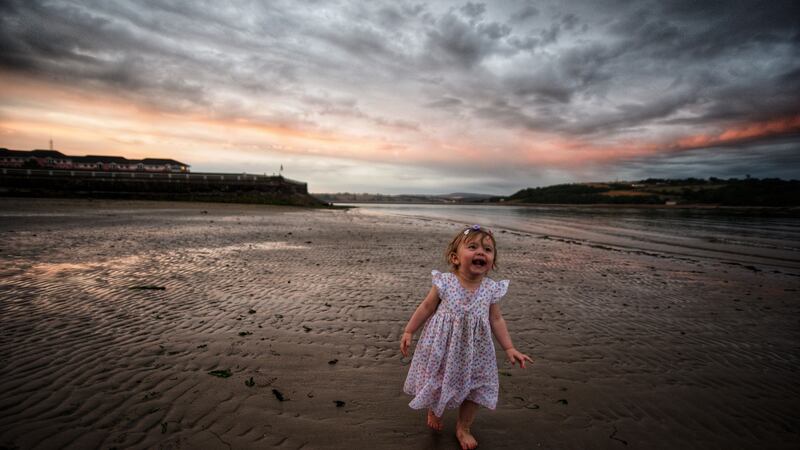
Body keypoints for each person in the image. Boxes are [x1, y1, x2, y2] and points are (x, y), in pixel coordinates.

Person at [400, 224, 533, 449]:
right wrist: (409, 330)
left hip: (476, 351)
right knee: (438, 380)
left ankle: (464, 427)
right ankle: (435, 410)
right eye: (472, 247)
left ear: (491, 262)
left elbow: (497, 320)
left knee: (476, 387)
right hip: (443, 345)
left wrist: (509, 348)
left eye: (488, 250)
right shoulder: (445, 282)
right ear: (455, 258)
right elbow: (426, 308)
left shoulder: (490, 289)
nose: (481, 252)